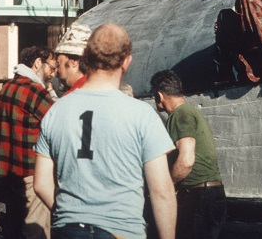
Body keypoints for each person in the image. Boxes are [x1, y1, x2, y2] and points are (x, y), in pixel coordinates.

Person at [34, 23, 177, 239]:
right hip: (121, 230)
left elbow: (41, 184)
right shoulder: (141, 114)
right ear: (126, 62)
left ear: (86, 58)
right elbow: (162, 191)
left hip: (68, 229)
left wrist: (68, 214)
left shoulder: (56, 111)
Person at [150, 70, 226, 239]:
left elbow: (186, 160)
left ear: (159, 95)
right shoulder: (188, 112)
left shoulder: (180, 114)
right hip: (210, 195)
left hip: (198, 197)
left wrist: (168, 187)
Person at [0, 45, 56, 239]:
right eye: (51, 68)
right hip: (32, 174)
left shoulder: (7, 88)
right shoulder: (36, 91)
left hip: (9, 172)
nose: (53, 74)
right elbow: (59, 120)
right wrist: (51, 91)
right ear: (38, 63)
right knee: (36, 231)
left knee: (14, 227)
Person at [54, 23, 91, 96]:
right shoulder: (96, 87)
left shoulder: (73, 96)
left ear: (74, 62)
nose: (56, 71)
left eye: (59, 64)